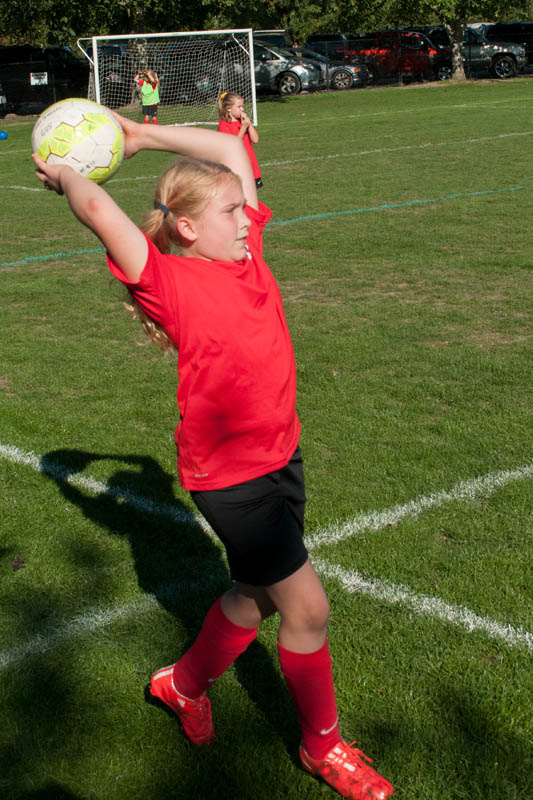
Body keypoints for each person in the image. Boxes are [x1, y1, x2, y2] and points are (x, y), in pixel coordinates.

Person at [32, 118, 394, 800]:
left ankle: (180, 685)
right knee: (306, 609)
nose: (246, 218)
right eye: (231, 211)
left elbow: (230, 150)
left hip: (279, 456)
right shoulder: (165, 281)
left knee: (254, 595)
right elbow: (97, 210)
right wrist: (68, 170)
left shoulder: (247, 259)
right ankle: (323, 749)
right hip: (231, 479)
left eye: (240, 208)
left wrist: (138, 135)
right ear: (190, 229)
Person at [217, 91, 263, 189]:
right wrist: (243, 128)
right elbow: (233, 145)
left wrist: (249, 124)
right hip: (237, 168)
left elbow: (255, 140)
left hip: (251, 166)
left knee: (253, 199)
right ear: (228, 108)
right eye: (239, 107)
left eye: (242, 106)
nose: (242, 109)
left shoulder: (242, 122)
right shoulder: (224, 125)